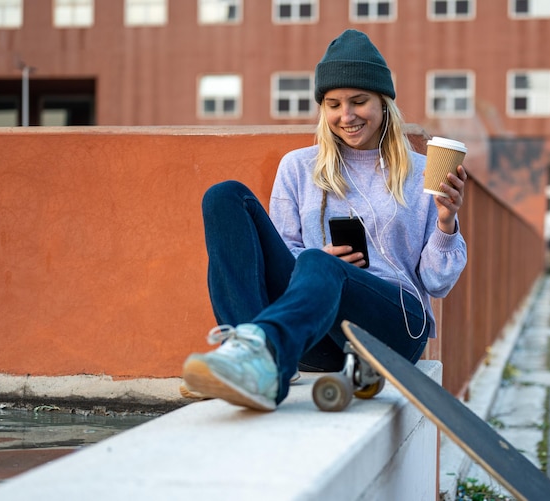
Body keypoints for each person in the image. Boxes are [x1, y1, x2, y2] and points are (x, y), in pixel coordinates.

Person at [182, 29, 467, 411]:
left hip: (394, 327)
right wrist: (317, 262)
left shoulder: (423, 173)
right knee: (224, 196)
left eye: (359, 101)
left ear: (384, 103)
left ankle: (263, 357)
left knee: (317, 261)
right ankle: (248, 356)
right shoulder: (299, 167)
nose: (346, 116)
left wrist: (446, 222)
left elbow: (437, 283)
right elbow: (283, 255)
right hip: (317, 334)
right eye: (333, 104)